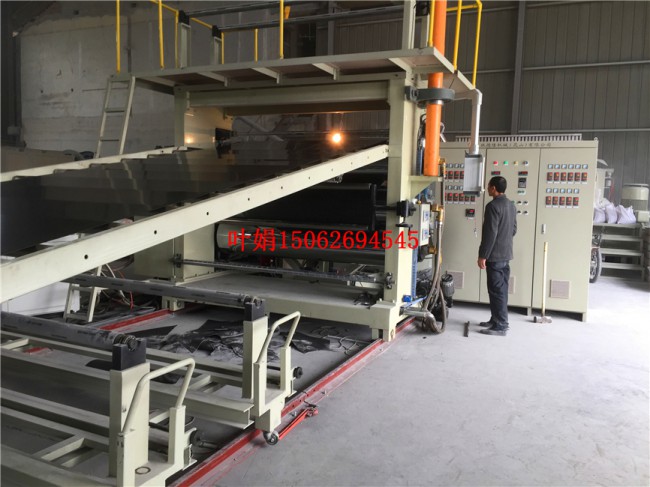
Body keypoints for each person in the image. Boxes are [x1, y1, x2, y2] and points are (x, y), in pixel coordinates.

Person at [477, 176, 517, 336]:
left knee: (496, 291)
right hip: (506, 254)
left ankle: (501, 324)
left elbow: (490, 234)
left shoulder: (492, 206)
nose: (487, 188)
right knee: (501, 290)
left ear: (493, 188)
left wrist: (483, 255)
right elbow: (514, 229)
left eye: (488, 186)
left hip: (494, 256)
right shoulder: (511, 205)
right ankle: (495, 319)